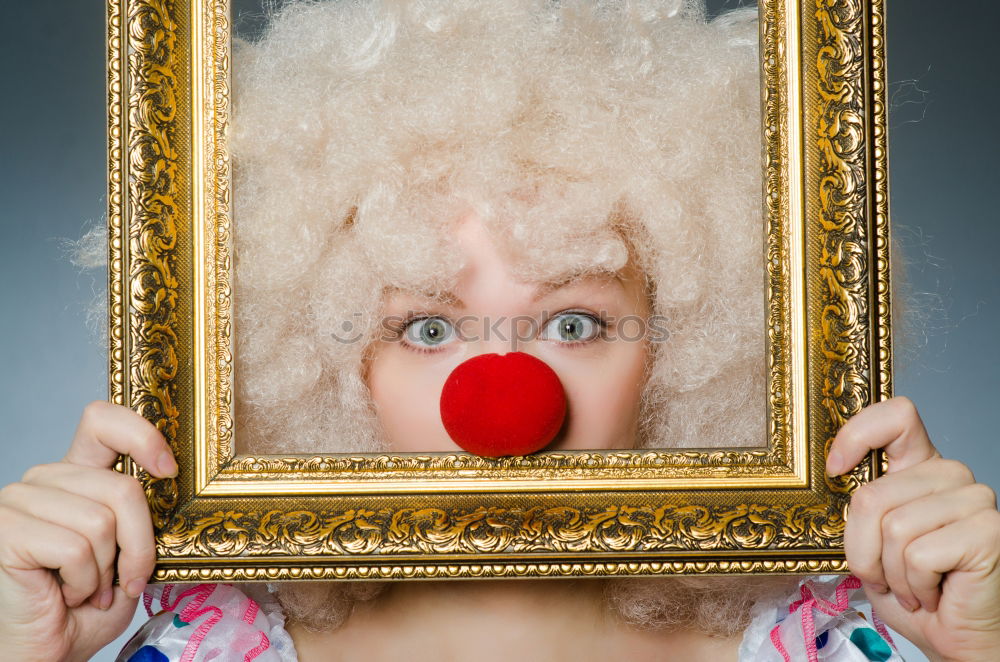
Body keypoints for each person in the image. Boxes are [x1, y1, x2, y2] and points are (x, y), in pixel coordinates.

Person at [1, 1, 998, 660]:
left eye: (574, 319)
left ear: (689, 352)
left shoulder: (802, 641)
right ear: (327, 370)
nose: (502, 392)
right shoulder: (208, 644)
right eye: (428, 325)